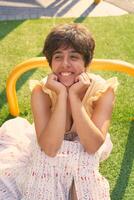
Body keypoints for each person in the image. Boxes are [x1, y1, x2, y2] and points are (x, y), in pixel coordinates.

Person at [0, 23, 118, 200]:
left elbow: (92, 146)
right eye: (58, 57)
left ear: (87, 62)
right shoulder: (42, 91)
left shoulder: (103, 91)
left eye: (74, 57)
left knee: (84, 161)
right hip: (50, 141)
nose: (65, 64)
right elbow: (49, 148)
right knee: (45, 163)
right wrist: (62, 94)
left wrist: (75, 98)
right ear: (50, 62)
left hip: (88, 141)